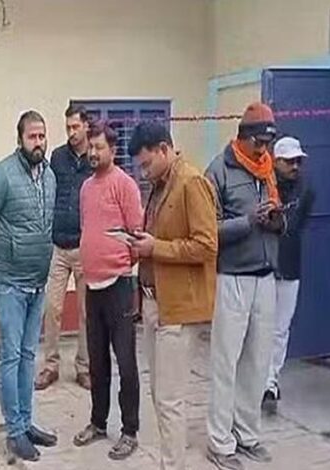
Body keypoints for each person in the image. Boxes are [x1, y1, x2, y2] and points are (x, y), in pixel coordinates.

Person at [128, 122, 218, 470]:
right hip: (154, 301)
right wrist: (140, 241)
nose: (143, 172)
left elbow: (207, 246)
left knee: (170, 399)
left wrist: (156, 247)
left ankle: (173, 464)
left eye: (147, 163)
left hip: (178, 307)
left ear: (164, 149)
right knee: (161, 395)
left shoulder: (191, 183)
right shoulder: (160, 184)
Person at [205, 103, 285, 470]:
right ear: (242, 137)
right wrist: (248, 222)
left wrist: (277, 221)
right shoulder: (218, 171)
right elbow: (208, 230)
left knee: (257, 362)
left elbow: (279, 222)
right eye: (258, 143)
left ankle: (247, 434)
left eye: (268, 143)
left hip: (266, 277)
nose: (263, 150)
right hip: (233, 277)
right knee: (226, 362)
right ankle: (220, 442)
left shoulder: (267, 171)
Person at [0, 110, 58, 462]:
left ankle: (26, 423)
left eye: (42, 136)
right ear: (20, 139)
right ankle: (14, 431)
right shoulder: (1, 175)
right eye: (32, 137)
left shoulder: (50, 176)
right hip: (9, 284)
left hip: (37, 282)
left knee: (29, 355)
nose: (38, 142)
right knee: (11, 356)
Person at [71, 120, 142, 461]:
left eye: (99, 147)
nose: (93, 152)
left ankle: (130, 430)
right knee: (97, 362)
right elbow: (88, 229)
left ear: (113, 150)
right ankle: (98, 422)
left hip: (119, 286)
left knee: (125, 362)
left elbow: (136, 235)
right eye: (91, 146)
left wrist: (122, 266)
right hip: (92, 286)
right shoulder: (86, 188)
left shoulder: (125, 185)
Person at [35, 104, 93, 391]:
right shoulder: (57, 157)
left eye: (75, 127)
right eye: (68, 127)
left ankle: (84, 367)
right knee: (52, 308)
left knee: (85, 311)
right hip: (58, 245)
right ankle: (50, 365)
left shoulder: (95, 156)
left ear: (86, 126)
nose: (71, 132)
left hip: (85, 246)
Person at [263, 136, 315, 415]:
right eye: (290, 161)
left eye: (298, 161)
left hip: (289, 265)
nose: (295, 166)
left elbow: (293, 227)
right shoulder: (263, 184)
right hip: (263, 265)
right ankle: (257, 379)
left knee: (280, 328)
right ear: (276, 161)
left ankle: (270, 382)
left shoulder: (305, 190)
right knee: (259, 326)